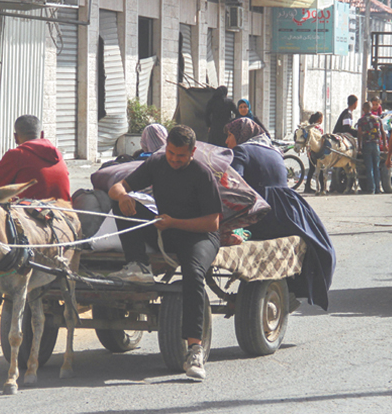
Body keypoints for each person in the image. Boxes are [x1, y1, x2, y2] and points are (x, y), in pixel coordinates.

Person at [109, 126, 221, 381]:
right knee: (124, 205)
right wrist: (124, 195)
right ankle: (137, 265)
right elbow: (117, 187)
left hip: (199, 235)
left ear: (192, 152)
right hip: (167, 227)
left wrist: (173, 223)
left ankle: (194, 349)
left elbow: (213, 223)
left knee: (193, 275)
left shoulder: (202, 174)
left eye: (180, 156)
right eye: (171, 153)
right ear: (165, 148)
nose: (174, 159)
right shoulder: (158, 162)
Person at [0, 115, 71, 355]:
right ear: (41, 135)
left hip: (29, 226)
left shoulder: (16, 155)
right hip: (61, 224)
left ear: (16, 136)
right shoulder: (58, 154)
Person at [224, 118, 336, 311]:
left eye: (229, 136)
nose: (226, 141)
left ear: (241, 135)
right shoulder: (273, 150)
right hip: (289, 211)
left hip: (263, 212)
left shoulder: (241, 151)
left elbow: (235, 185)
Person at [357, 102, 385, 194]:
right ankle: (378, 188)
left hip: (367, 145)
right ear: (371, 108)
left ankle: (371, 189)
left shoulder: (361, 120)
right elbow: (383, 132)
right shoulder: (378, 119)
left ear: (364, 109)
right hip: (376, 145)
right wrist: (384, 145)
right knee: (376, 167)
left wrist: (359, 147)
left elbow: (359, 134)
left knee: (369, 168)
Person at [304, 112, 325, 194]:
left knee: (312, 169)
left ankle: (307, 186)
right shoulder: (318, 128)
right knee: (320, 169)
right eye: (322, 118)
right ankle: (322, 187)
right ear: (319, 119)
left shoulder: (310, 127)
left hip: (310, 152)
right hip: (317, 152)